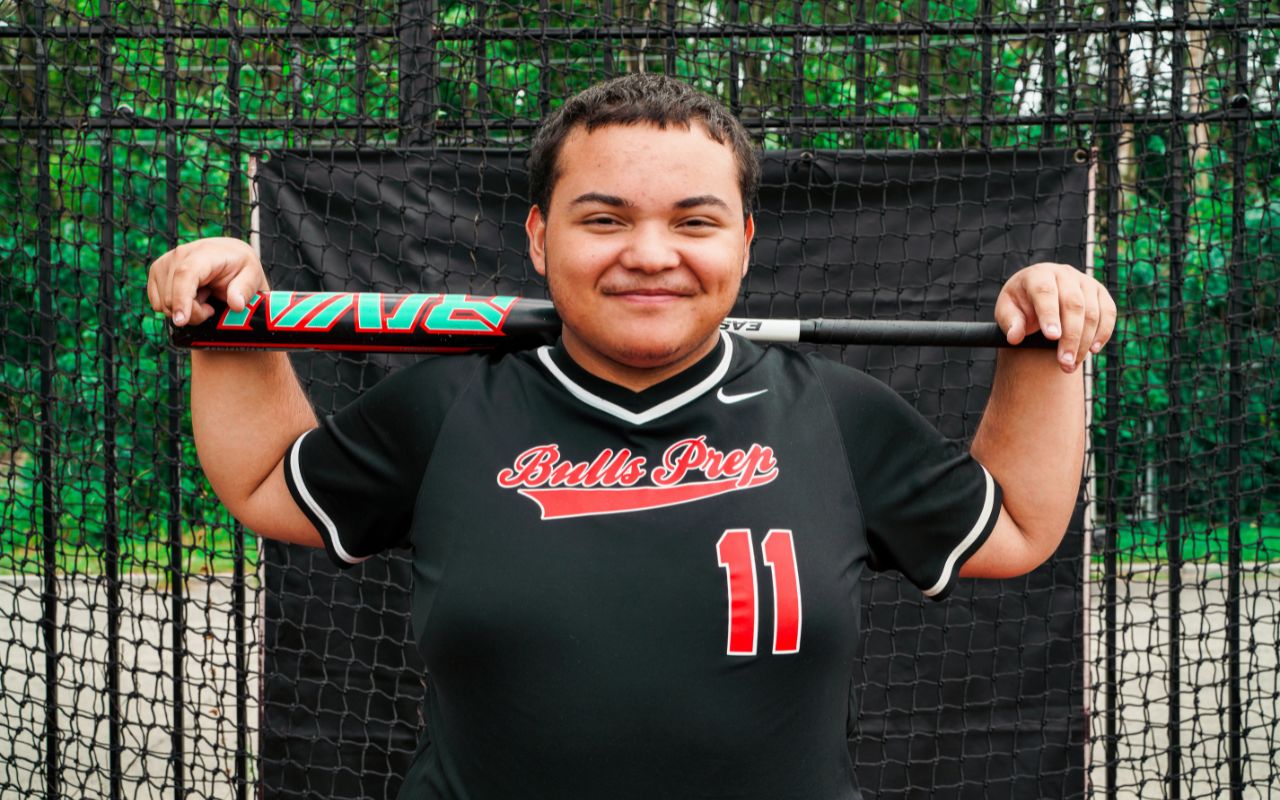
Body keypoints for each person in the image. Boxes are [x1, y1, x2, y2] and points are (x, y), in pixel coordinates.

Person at [147, 74, 1115, 799]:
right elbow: (269, 479)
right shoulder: (448, 405)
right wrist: (238, 318)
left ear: (743, 237)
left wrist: (1046, 338)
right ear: (537, 237)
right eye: (602, 218)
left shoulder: (836, 409)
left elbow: (1018, 524)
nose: (649, 253)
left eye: (693, 221)